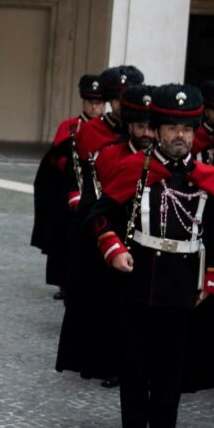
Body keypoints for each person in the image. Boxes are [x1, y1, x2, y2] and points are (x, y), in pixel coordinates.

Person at [89, 84, 214, 428]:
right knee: (135, 357)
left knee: (172, 359)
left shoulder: (208, 176)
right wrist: (114, 250)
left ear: (194, 132)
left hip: (182, 280)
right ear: (159, 131)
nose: (179, 136)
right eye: (171, 129)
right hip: (140, 275)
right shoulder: (134, 168)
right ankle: (133, 426)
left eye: (186, 130)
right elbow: (101, 217)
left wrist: (211, 279)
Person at [56, 84, 154, 387]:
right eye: (141, 126)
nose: (148, 133)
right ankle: (112, 365)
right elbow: (95, 205)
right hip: (112, 246)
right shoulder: (111, 156)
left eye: (153, 127)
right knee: (112, 311)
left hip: (151, 250)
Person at [31, 73, 105, 298]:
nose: (95, 107)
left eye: (99, 102)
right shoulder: (70, 126)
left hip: (100, 190)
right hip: (70, 193)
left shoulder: (109, 128)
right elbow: (55, 160)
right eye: (91, 102)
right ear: (83, 102)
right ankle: (64, 283)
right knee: (66, 240)